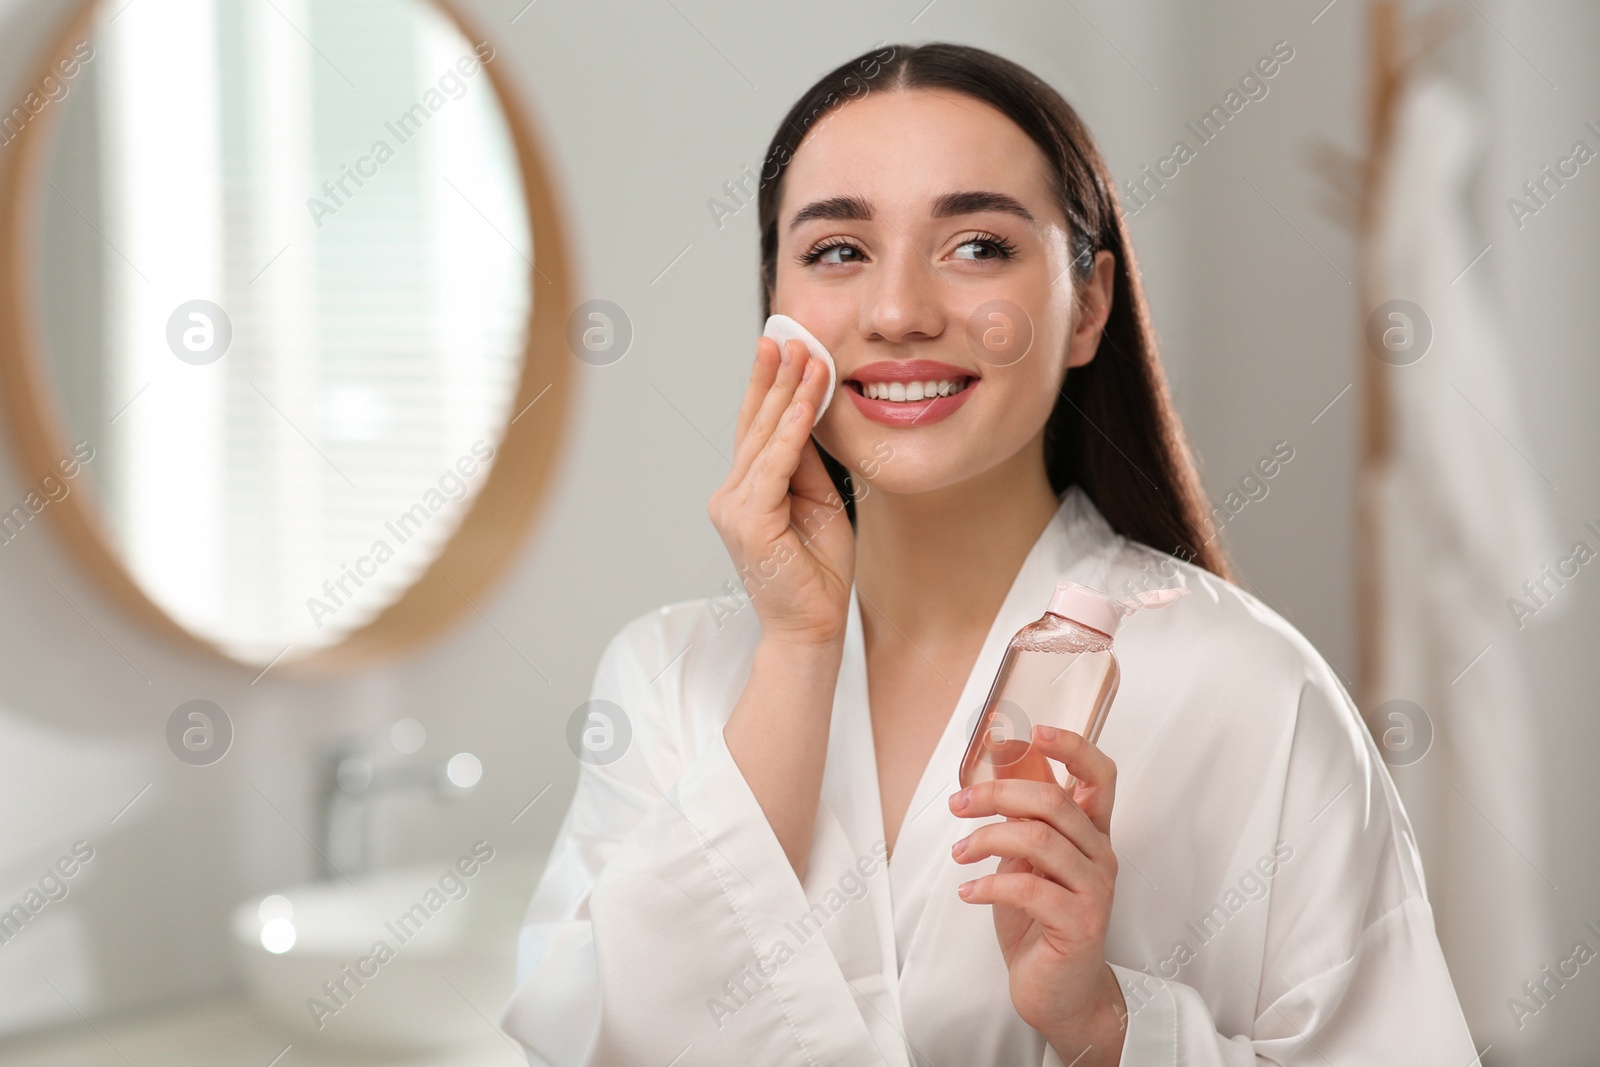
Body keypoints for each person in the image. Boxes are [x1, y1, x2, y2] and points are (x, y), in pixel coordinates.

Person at [500, 41, 1477, 1066]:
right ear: (776, 304)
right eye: (838, 250)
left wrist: (1107, 1025)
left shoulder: (1245, 686)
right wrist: (795, 642)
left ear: (1089, 304)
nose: (898, 312)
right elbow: (588, 1035)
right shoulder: (664, 678)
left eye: (977, 246)